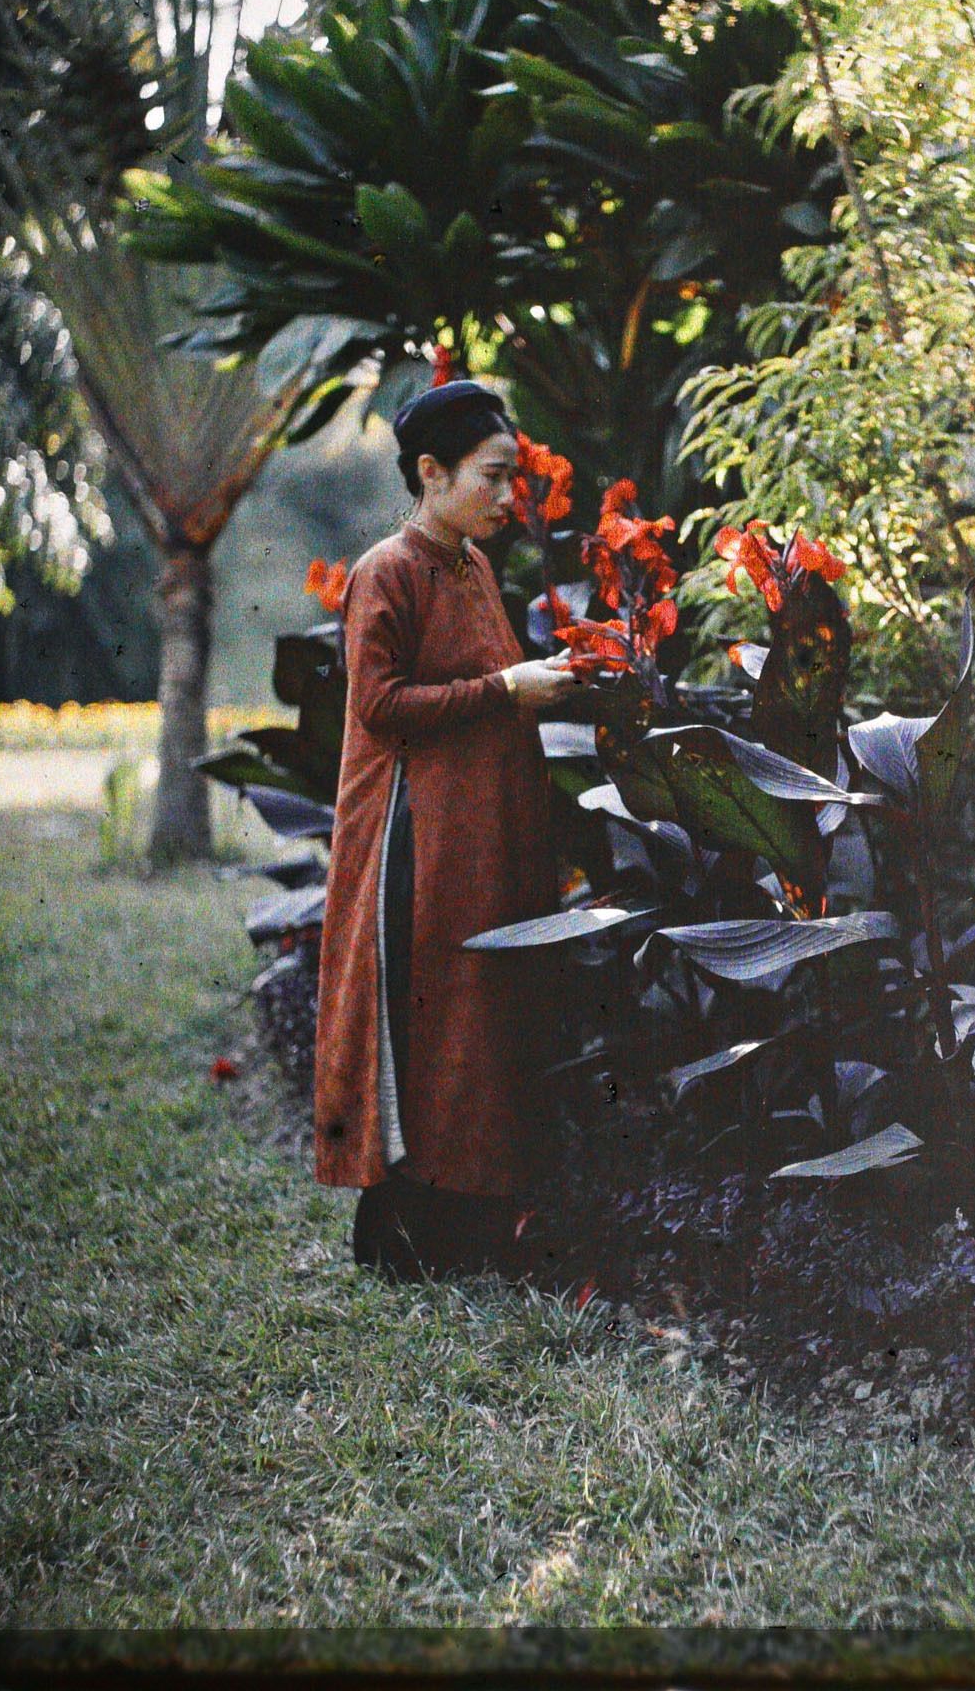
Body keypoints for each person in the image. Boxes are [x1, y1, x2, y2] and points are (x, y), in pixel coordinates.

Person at [313, 380, 576, 1284]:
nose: (508, 496)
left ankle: (469, 1226)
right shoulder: (387, 570)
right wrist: (507, 689)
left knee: (477, 1017)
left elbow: (490, 682)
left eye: (511, 478)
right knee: (429, 1016)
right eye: (491, 477)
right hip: (414, 837)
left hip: (477, 830)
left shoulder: (472, 566)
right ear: (431, 473)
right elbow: (380, 707)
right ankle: (402, 1235)